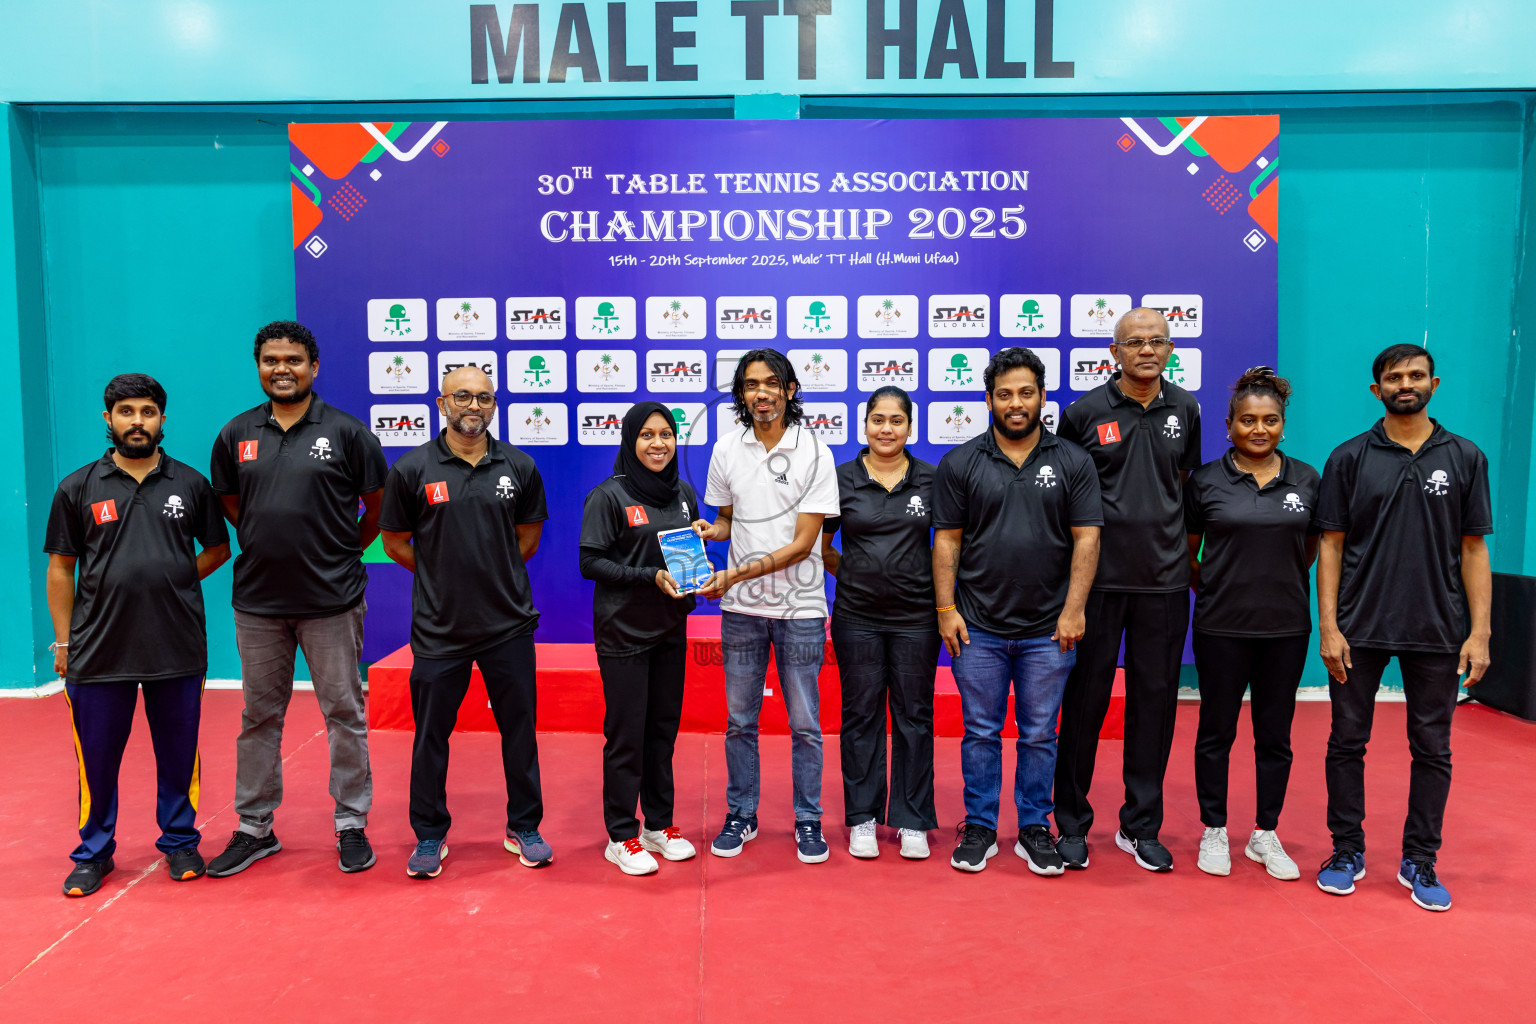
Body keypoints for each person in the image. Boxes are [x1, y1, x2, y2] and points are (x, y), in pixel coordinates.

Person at [1315, 344, 1491, 912]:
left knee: (1432, 747)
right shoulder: (1348, 458)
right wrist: (1329, 626)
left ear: (1434, 384)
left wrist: (1480, 632)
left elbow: (1473, 548)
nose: (1406, 384)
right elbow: (1331, 544)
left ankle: (1421, 858)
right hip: (1359, 628)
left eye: (1416, 375)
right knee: (1347, 741)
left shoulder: (1465, 457)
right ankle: (1346, 850)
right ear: (1377, 390)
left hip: (1439, 629)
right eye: (1394, 377)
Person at [207, 321, 387, 877]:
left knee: (344, 712)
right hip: (258, 601)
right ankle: (254, 828)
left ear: (313, 366)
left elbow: (375, 510)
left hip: (331, 599)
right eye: (269, 360)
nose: (280, 369)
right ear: (258, 366)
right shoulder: (235, 433)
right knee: (259, 716)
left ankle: (351, 823)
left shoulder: (349, 432)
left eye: (292, 360)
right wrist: (269, 539)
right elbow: (235, 505)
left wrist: (337, 552)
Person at [45, 374, 231, 896]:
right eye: (125, 412)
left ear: (162, 419)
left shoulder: (191, 484)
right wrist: (64, 643)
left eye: (147, 412)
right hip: (98, 650)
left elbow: (217, 550)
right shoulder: (78, 487)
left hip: (176, 645)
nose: (137, 421)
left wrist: (171, 578)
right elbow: (61, 569)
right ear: (108, 420)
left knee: (179, 753)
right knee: (97, 760)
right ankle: (94, 853)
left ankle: (179, 841)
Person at [380, 366, 553, 878]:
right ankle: (430, 834)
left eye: (483, 397)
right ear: (442, 403)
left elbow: (528, 540)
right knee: (431, 735)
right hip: (439, 629)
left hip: (509, 623)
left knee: (519, 731)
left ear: (493, 405)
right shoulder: (412, 469)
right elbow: (393, 543)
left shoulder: (519, 467)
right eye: (462, 396)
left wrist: (490, 574)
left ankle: (524, 826)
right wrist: (441, 574)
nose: (473, 406)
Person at [934, 348, 1102, 873]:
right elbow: (946, 543)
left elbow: (1087, 539)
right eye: (1004, 394)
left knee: (1039, 734)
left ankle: (1034, 826)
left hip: (1049, 629)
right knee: (980, 731)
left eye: (1025, 392)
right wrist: (945, 607)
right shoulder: (961, 462)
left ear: (1042, 397)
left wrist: (1074, 609)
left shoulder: (1073, 461)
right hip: (977, 626)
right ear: (988, 400)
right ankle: (981, 826)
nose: (1015, 403)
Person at [1054, 307, 1201, 872]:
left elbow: (1182, 487)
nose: (1147, 350)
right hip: (1095, 584)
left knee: (1154, 707)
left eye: (1157, 341)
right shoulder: (1085, 412)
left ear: (1169, 350)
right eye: (1134, 342)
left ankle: (1140, 825)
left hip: (1163, 584)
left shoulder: (1185, 408)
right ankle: (1070, 822)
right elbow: (1065, 496)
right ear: (1114, 351)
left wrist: (1185, 561)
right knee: (1084, 705)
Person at [694, 348, 841, 864]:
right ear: (741, 394)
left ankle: (807, 819)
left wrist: (736, 572)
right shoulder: (725, 450)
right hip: (741, 610)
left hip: (800, 607)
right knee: (740, 720)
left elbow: (804, 545)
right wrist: (712, 532)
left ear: (790, 391)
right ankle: (742, 812)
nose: (761, 392)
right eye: (751, 384)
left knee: (804, 723)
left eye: (771, 383)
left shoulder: (816, 452)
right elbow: (730, 522)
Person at [1184, 367, 1318, 880]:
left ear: (1283, 424)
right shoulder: (1206, 481)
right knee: (1216, 730)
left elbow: (1307, 549)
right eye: (1247, 420)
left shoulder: (1306, 479)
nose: (1258, 429)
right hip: (1221, 624)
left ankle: (1265, 833)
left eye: (1269, 420)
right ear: (1229, 425)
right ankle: (1213, 828)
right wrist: (1218, 585)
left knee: (1274, 735)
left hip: (1285, 627)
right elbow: (1190, 552)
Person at [580, 403, 701, 876]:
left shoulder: (684, 493)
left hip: (671, 627)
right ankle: (621, 834)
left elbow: (684, 552)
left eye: (666, 434)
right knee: (627, 735)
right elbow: (590, 563)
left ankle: (659, 824)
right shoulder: (608, 496)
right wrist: (647, 575)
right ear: (631, 440)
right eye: (648, 435)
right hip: (623, 632)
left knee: (662, 731)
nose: (658, 444)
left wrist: (697, 561)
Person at [821, 387, 940, 860]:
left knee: (914, 715)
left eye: (895, 421)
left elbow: (950, 544)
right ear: (864, 425)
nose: (885, 429)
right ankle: (863, 818)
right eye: (877, 420)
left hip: (917, 618)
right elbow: (820, 544)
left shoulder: (932, 479)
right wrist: (854, 573)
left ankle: (913, 819)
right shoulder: (841, 479)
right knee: (861, 714)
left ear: (910, 427)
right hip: (857, 617)